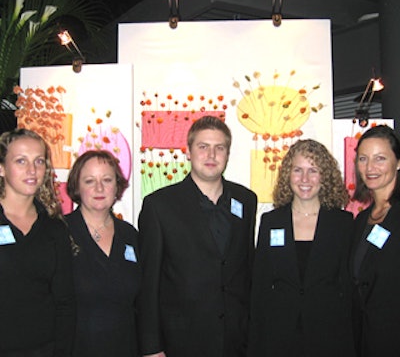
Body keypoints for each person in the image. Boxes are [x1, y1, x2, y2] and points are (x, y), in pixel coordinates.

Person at [137, 115, 258, 357]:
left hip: (236, 341)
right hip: (182, 341)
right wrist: (151, 347)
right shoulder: (159, 206)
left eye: (219, 148)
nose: (211, 155)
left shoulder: (246, 200)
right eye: (203, 147)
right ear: (188, 152)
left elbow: (247, 269)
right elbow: (148, 284)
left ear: (227, 154)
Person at [247, 139, 356, 357]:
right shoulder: (271, 222)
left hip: (330, 336)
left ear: (324, 176)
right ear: (288, 174)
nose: (304, 179)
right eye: (298, 170)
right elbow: (260, 285)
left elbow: (349, 287)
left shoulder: (343, 223)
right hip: (278, 336)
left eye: (312, 170)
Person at [0, 128, 75, 356]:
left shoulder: (54, 229)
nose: (32, 170)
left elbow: (65, 303)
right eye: (21, 161)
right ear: (1, 168)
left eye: (39, 161)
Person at [65, 150, 140, 357]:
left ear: (117, 186)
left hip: (126, 348)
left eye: (107, 180)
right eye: (89, 181)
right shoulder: (59, 232)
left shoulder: (130, 235)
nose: (99, 188)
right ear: (77, 186)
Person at [351, 124, 400, 356]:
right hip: (366, 340)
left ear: (398, 163)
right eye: (363, 158)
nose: (370, 167)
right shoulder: (361, 220)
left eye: (380, 158)